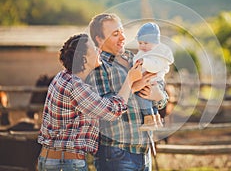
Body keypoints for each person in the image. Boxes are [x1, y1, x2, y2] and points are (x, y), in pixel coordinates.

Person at [37, 33, 143, 171]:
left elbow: (99, 103)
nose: (99, 50)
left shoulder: (63, 77)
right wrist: (129, 80)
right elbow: (112, 111)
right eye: (94, 48)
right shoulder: (76, 87)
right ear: (84, 59)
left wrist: (130, 88)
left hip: (53, 160)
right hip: (67, 163)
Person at [87, 13, 168, 171]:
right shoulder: (98, 66)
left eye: (122, 31)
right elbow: (104, 110)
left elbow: (160, 93)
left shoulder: (136, 58)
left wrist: (159, 97)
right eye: (115, 34)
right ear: (99, 39)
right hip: (117, 153)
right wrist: (133, 87)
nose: (123, 37)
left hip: (144, 151)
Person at [133, 22, 174, 131]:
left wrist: (144, 62)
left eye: (146, 43)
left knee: (143, 96)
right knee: (144, 97)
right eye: (140, 43)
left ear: (155, 43)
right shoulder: (143, 52)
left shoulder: (158, 54)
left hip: (155, 82)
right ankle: (154, 118)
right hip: (149, 81)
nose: (142, 46)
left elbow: (155, 67)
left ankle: (149, 118)